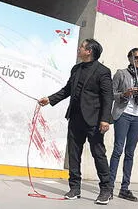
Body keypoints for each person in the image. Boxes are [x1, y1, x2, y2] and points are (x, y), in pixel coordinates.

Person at [38, 38, 113, 205]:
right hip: (75, 118)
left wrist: (105, 120)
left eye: (82, 47)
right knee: (73, 153)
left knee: (98, 154)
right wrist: (49, 99)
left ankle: (106, 189)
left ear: (89, 52)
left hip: (94, 120)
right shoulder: (76, 68)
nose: (79, 49)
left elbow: (107, 98)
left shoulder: (103, 71)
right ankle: (74, 188)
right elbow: (67, 90)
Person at [108, 47, 138, 202]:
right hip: (123, 115)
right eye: (136, 57)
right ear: (129, 58)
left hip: (137, 117)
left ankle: (124, 188)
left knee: (130, 153)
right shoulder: (121, 73)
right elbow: (111, 94)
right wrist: (125, 94)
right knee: (118, 150)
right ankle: (109, 187)